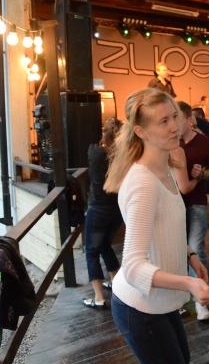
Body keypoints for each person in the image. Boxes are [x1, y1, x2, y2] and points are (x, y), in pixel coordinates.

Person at [103, 88, 209, 363]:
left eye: (175, 116)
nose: (175, 126)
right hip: (140, 308)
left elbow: (164, 229)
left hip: (161, 302)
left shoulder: (165, 167)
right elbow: (132, 267)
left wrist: (190, 255)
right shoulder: (143, 183)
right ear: (141, 131)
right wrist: (189, 282)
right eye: (164, 121)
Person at [176, 101, 209, 320]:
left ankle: (200, 300)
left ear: (188, 120)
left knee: (196, 248)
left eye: (176, 118)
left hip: (196, 203)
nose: (173, 124)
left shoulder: (203, 143)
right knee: (177, 252)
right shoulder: (170, 142)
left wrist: (202, 174)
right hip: (174, 205)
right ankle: (181, 297)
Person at [82, 118, 123, 308]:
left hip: (98, 209)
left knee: (91, 252)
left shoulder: (95, 152)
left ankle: (99, 298)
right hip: (116, 209)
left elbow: (93, 151)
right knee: (105, 245)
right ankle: (117, 283)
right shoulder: (123, 156)